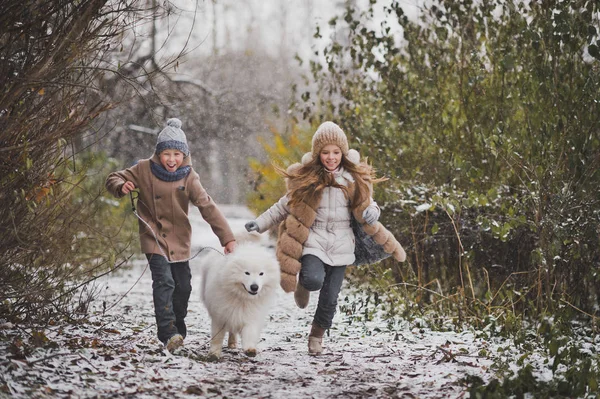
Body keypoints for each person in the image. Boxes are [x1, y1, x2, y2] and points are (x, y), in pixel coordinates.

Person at [245, 121, 406, 355]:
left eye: (336, 152)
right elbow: (283, 206)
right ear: (317, 154)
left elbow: (369, 203)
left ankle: (316, 337)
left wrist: (374, 212)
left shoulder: (353, 179)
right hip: (315, 241)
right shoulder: (308, 180)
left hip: (343, 245)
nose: (331, 157)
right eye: (325, 152)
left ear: (343, 153)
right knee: (313, 280)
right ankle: (304, 284)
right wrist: (259, 224)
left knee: (330, 298)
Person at [105, 118, 236, 352]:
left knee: (183, 286)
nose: (172, 160)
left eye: (177, 154)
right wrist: (120, 185)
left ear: (184, 155)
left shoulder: (189, 176)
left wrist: (226, 237)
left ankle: (178, 329)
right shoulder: (144, 169)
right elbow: (114, 177)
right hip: (153, 236)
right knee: (164, 281)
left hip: (179, 240)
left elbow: (207, 206)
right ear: (158, 153)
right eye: (167, 153)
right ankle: (167, 333)